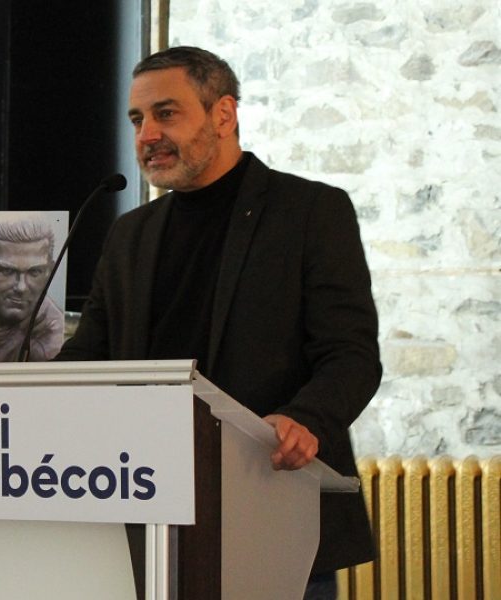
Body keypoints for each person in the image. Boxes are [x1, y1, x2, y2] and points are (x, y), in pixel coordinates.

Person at [56, 46, 381, 600]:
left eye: (166, 113)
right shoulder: (131, 233)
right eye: (137, 119)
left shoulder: (309, 212)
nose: (147, 134)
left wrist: (305, 418)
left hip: (272, 500)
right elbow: (92, 354)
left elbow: (350, 354)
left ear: (223, 114)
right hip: (145, 509)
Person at [0, 219, 64, 361]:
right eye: (6, 271)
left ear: (50, 270)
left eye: (35, 272)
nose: (21, 287)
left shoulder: (48, 337)